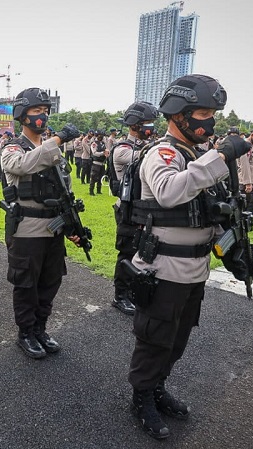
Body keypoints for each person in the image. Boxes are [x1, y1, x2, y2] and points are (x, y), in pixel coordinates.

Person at [125, 74, 251, 439]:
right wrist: (220, 156)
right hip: (164, 267)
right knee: (155, 339)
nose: (209, 123)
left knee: (178, 338)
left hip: (195, 268)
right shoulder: (162, 154)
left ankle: (157, 387)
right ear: (179, 114)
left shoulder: (196, 156)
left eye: (212, 115)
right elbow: (168, 192)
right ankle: (141, 397)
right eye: (203, 114)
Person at [0, 87, 82, 359]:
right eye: (37, 111)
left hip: (53, 227)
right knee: (27, 284)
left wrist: (71, 226)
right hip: (27, 229)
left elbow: (64, 190)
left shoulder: (52, 150)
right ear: (22, 115)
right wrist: (57, 139)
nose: (43, 116)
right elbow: (22, 165)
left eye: (46, 111)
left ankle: (40, 328)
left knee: (50, 282)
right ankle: (25, 332)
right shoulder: (12, 147)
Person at [110, 100, 160, 316]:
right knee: (127, 252)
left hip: (145, 209)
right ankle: (120, 296)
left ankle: (134, 293)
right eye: (147, 122)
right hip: (128, 210)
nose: (150, 126)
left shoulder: (148, 147)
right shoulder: (123, 149)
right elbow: (146, 155)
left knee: (144, 251)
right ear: (134, 124)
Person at [89, 129, 108, 195]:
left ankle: (99, 190)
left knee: (101, 177)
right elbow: (94, 153)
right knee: (94, 178)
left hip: (102, 163)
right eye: (100, 135)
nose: (102, 137)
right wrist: (103, 153)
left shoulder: (103, 143)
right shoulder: (94, 143)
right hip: (96, 163)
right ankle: (91, 190)